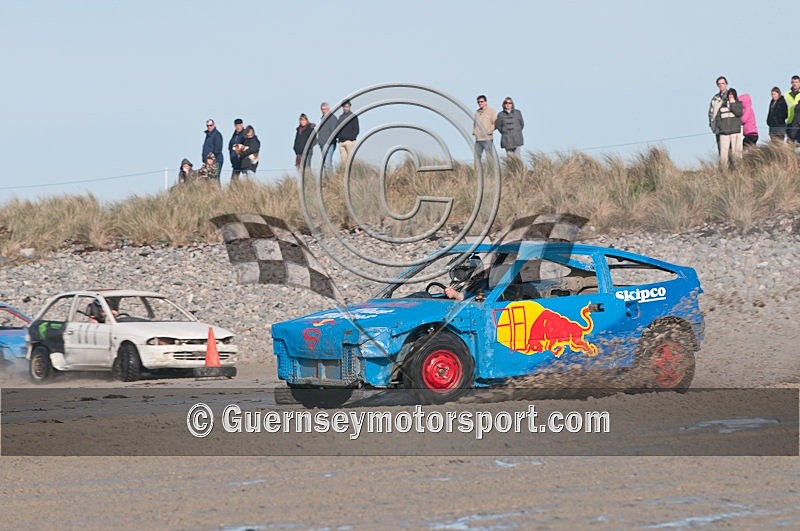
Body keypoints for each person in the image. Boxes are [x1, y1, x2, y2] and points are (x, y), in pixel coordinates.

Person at [716, 88, 743, 169]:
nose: (730, 96)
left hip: (735, 131)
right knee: (723, 153)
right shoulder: (723, 105)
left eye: (732, 94)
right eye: (729, 94)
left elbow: (738, 113)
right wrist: (721, 126)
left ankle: (738, 168)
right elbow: (718, 117)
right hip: (724, 132)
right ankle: (723, 169)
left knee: (736, 152)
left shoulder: (738, 104)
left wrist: (732, 104)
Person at [473, 95, 497, 161]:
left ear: (486, 102)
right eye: (478, 102)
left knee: (489, 157)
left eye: (481, 101)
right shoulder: (477, 112)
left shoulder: (491, 111)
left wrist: (490, 131)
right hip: (478, 139)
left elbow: (496, 123)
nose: (480, 103)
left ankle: (491, 168)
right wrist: (474, 132)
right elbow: (475, 123)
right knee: (477, 158)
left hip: (487, 138)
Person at [708, 76, 728, 152]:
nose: (721, 85)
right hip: (718, 128)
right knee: (721, 150)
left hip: (729, 127)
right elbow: (711, 112)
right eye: (719, 84)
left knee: (729, 150)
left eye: (722, 83)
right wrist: (712, 124)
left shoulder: (731, 95)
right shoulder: (715, 98)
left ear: (726, 84)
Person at [317, 102, 338, 171]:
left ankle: (331, 177)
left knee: (327, 162)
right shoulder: (322, 118)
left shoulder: (332, 118)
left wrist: (330, 141)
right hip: (322, 143)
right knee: (324, 163)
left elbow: (334, 131)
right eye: (322, 109)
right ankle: (327, 177)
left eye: (325, 109)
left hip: (329, 143)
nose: (323, 110)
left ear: (328, 109)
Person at [337, 99, 359, 165]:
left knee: (351, 161)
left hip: (350, 142)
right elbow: (338, 129)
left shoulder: (353, 116)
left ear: (350, 107)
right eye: (344, 107)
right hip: (341, 142)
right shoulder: (340, 117)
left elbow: (356, 129)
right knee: (343, 162)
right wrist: (339, 137)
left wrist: (351, 138)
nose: (346, 108)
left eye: (347, 106)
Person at [784, 76, 800, 142]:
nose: (795, 84)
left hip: (799, 122)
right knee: (790, 142)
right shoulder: (786, 94)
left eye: (796, 82)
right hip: (790, 121)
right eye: (793, 82)